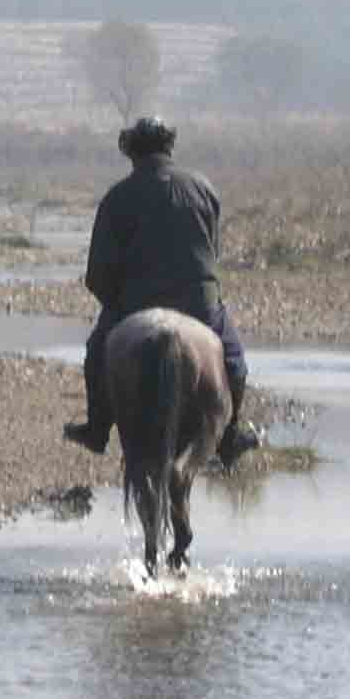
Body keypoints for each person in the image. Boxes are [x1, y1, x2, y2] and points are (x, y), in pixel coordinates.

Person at [62, 116, 259, 465]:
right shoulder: (203, 188)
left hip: (135, 306)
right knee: (234, 361)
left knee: (96, 352)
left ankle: (96, 429)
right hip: (199, 304)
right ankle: (232, 434)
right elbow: (213, 253)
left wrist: (118, 306)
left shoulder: (117, 197)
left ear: (131, 153)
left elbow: (97, 274)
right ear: (170, 147)